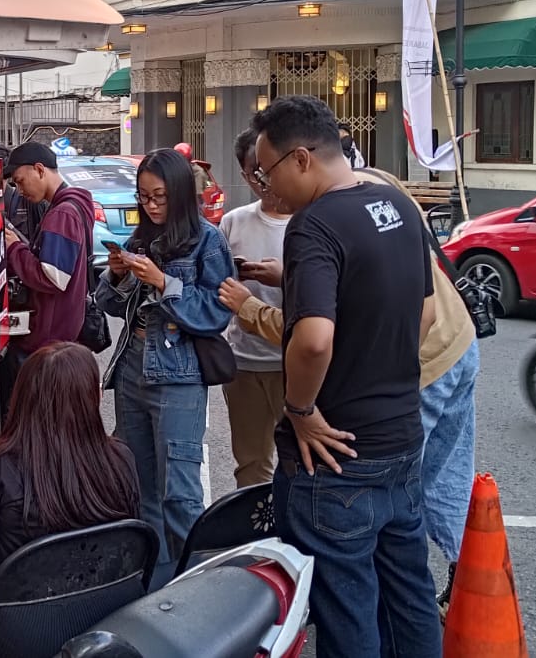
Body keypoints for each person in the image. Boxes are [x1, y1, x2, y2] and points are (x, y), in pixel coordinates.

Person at [254, 95, 441, 658]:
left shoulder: (314, 226)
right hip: (403, 439)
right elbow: (427, 312)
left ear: (302, 158)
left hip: (336, 459)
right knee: (410, 593)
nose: (267, 187)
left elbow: (313, 338)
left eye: (268, 171)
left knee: (347, 604)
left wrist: (301, 410)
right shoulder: (398, 202)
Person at [96, 148, 233, 576]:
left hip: (179, 375)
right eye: (143, 197)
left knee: (180, 492)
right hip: (133, 366)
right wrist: (117, 274)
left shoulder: (208, 241)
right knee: (139, 488)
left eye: (159, 196)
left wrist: (163, 282)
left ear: (180, 194)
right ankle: (153, 580)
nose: (151, 205)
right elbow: (109, 306)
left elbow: (216, 312)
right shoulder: (141, 239)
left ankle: (196, 582)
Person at [0, 342, 139, 651]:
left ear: (21, 396)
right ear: (92, 398)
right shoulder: (121, 458)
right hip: (107, 616)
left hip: (20, 631)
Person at [356, 168, 478, 615]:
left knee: (392, 490)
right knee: (446, 474)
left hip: (422, 361)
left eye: (265, 173)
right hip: (459, 340)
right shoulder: (381, 180)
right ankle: (473, 585)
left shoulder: (335, 211)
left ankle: (402, 603)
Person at [214, 125, 291, 487]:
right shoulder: (233, 222)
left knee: (299, 460)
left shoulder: (310, 221)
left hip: (294, 363)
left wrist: (284, 278)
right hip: (243, 363)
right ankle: (257, 532)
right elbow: (215, 288)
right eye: (254, 172)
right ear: (244, 173)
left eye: (267, 169)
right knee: (251, 464)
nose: (263, 180)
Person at [0, 142, 96, 410]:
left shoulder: (62, 213)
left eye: (20, 181)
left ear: (39, 169)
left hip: (47, 342)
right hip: (60, 336)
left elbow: (53, 277)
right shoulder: (74, 206)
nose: (19, 190)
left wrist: (14, 248)